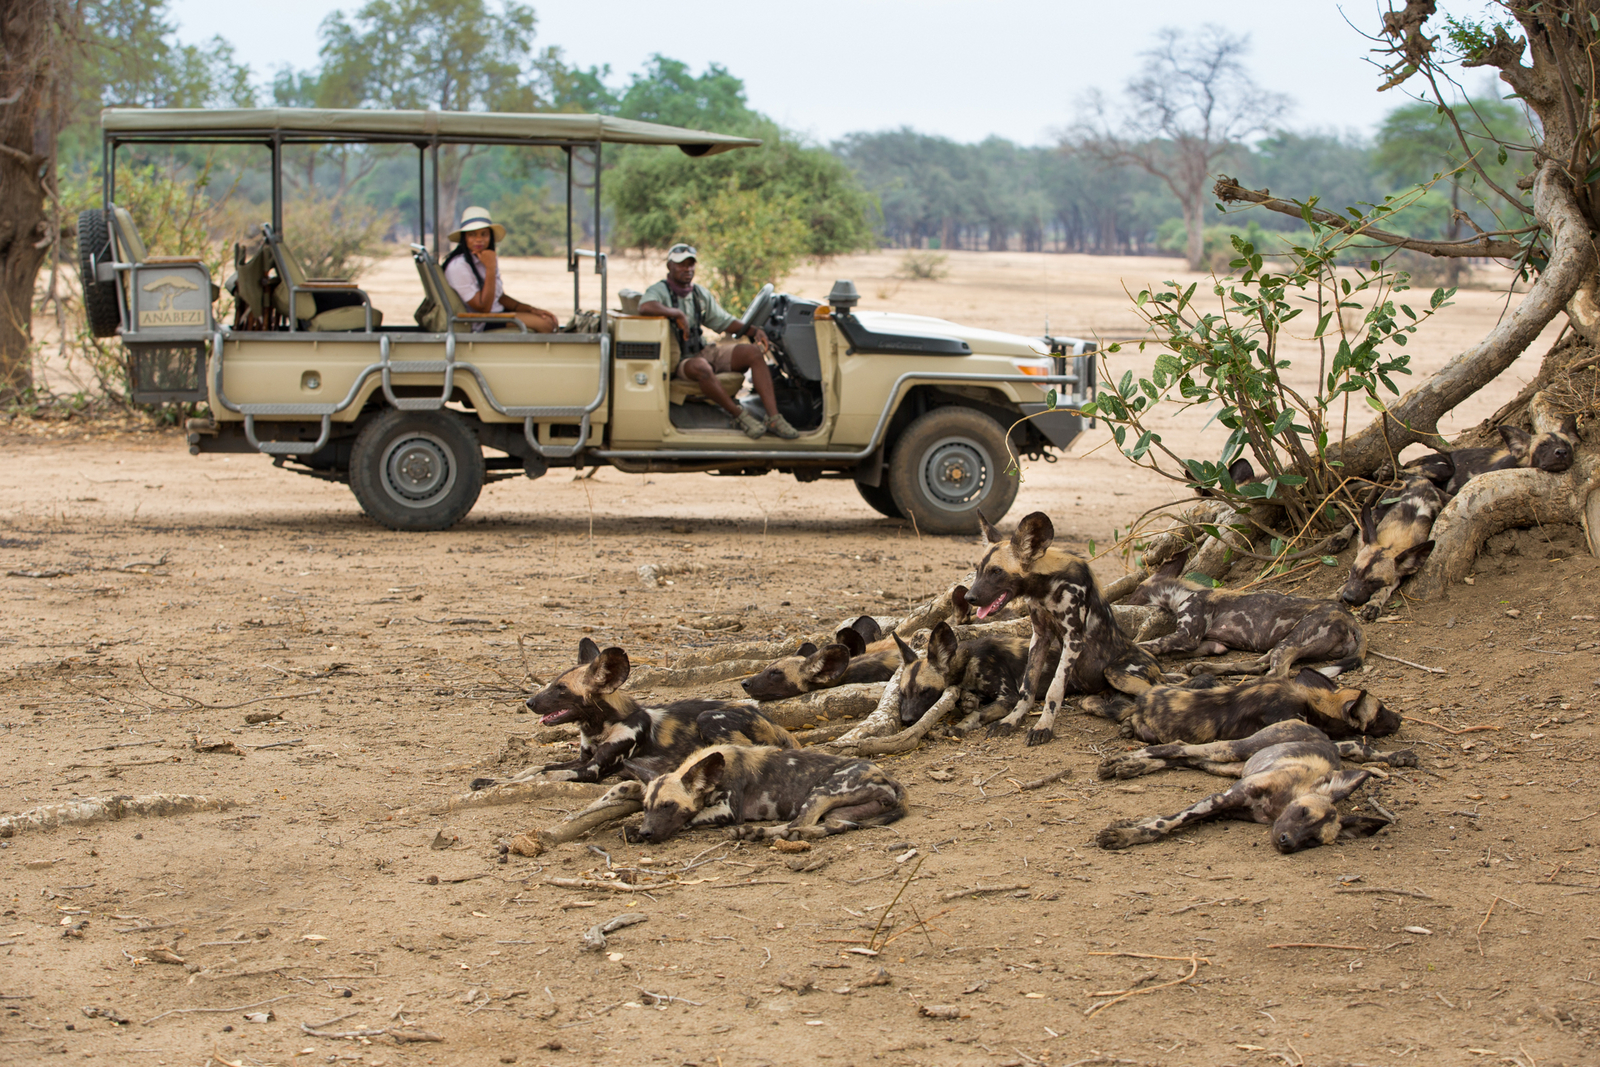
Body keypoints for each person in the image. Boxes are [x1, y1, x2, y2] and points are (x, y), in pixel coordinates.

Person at [637, 243, 799, 439]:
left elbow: (723, 321)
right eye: (681, 265)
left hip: (703, 350)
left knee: (752, 353)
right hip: (681, 360)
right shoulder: (660, 291)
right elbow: (645, 307)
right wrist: (676, 313)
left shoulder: (698, 293)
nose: (687, 269)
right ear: (669, 266)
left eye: (690, 264)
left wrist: (754, 330)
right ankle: (740, 416)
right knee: (702, 367)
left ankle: (774, 418)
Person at [441, 207, 559, 333]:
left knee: (548, 320)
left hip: (497, 314)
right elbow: (483, 308)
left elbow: (499, 297)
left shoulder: (485, 258)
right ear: (464, 238)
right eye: (472, 234)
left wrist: (530, 310)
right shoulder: (459, 266)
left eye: (484, 234)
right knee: (546, 325)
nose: (479, 239)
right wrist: (490, 268)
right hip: (482, 321)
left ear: (490, 237)